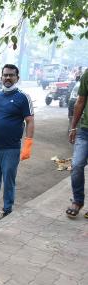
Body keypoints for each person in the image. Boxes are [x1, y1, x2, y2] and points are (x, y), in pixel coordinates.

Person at [0, 64, 34, 217]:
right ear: (1, 77)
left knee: (9, 180)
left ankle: (8, 209)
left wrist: (28, 144)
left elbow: (30, 121)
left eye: (11, 75)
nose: (8, 78)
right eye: (5, 75)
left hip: (11, 149)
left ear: (17, 77)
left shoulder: (22, 97)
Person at [66, 70, 88, 218]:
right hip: (85, 130)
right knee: (77, 165)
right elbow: (80, 101)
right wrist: (73, 127)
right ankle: (78, 200)